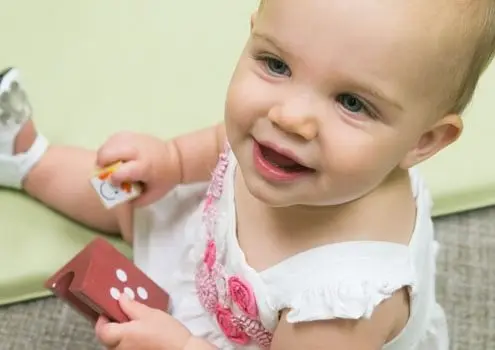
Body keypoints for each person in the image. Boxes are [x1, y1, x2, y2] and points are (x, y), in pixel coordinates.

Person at [1, 0, 494, 348]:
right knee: (124, 190)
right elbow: (224, 143)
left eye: (352, 102)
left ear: (422, 141)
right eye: (276, 64)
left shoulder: (341, 304)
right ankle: (28, 159)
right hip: (208, 245)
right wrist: (171, 161)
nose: (288, 117)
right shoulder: (292, 149)